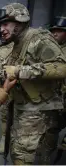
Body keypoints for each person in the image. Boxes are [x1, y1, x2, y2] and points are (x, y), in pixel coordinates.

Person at [0, 3, 66, 164]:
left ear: (19, 21)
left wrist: (20, 71)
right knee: (19, 150)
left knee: (22, 153)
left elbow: (62, 67)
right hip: (22, 105)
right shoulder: (16, 43)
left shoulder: (39, 39)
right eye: (0, 25)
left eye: (5, 24)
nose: (1, 29)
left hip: (39, 108)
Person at [49, 16, 66, 163]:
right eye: (53, 31)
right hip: (56, 99)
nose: (54, 34)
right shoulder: (51, 49)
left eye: (59, 31)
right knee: (52, 130)